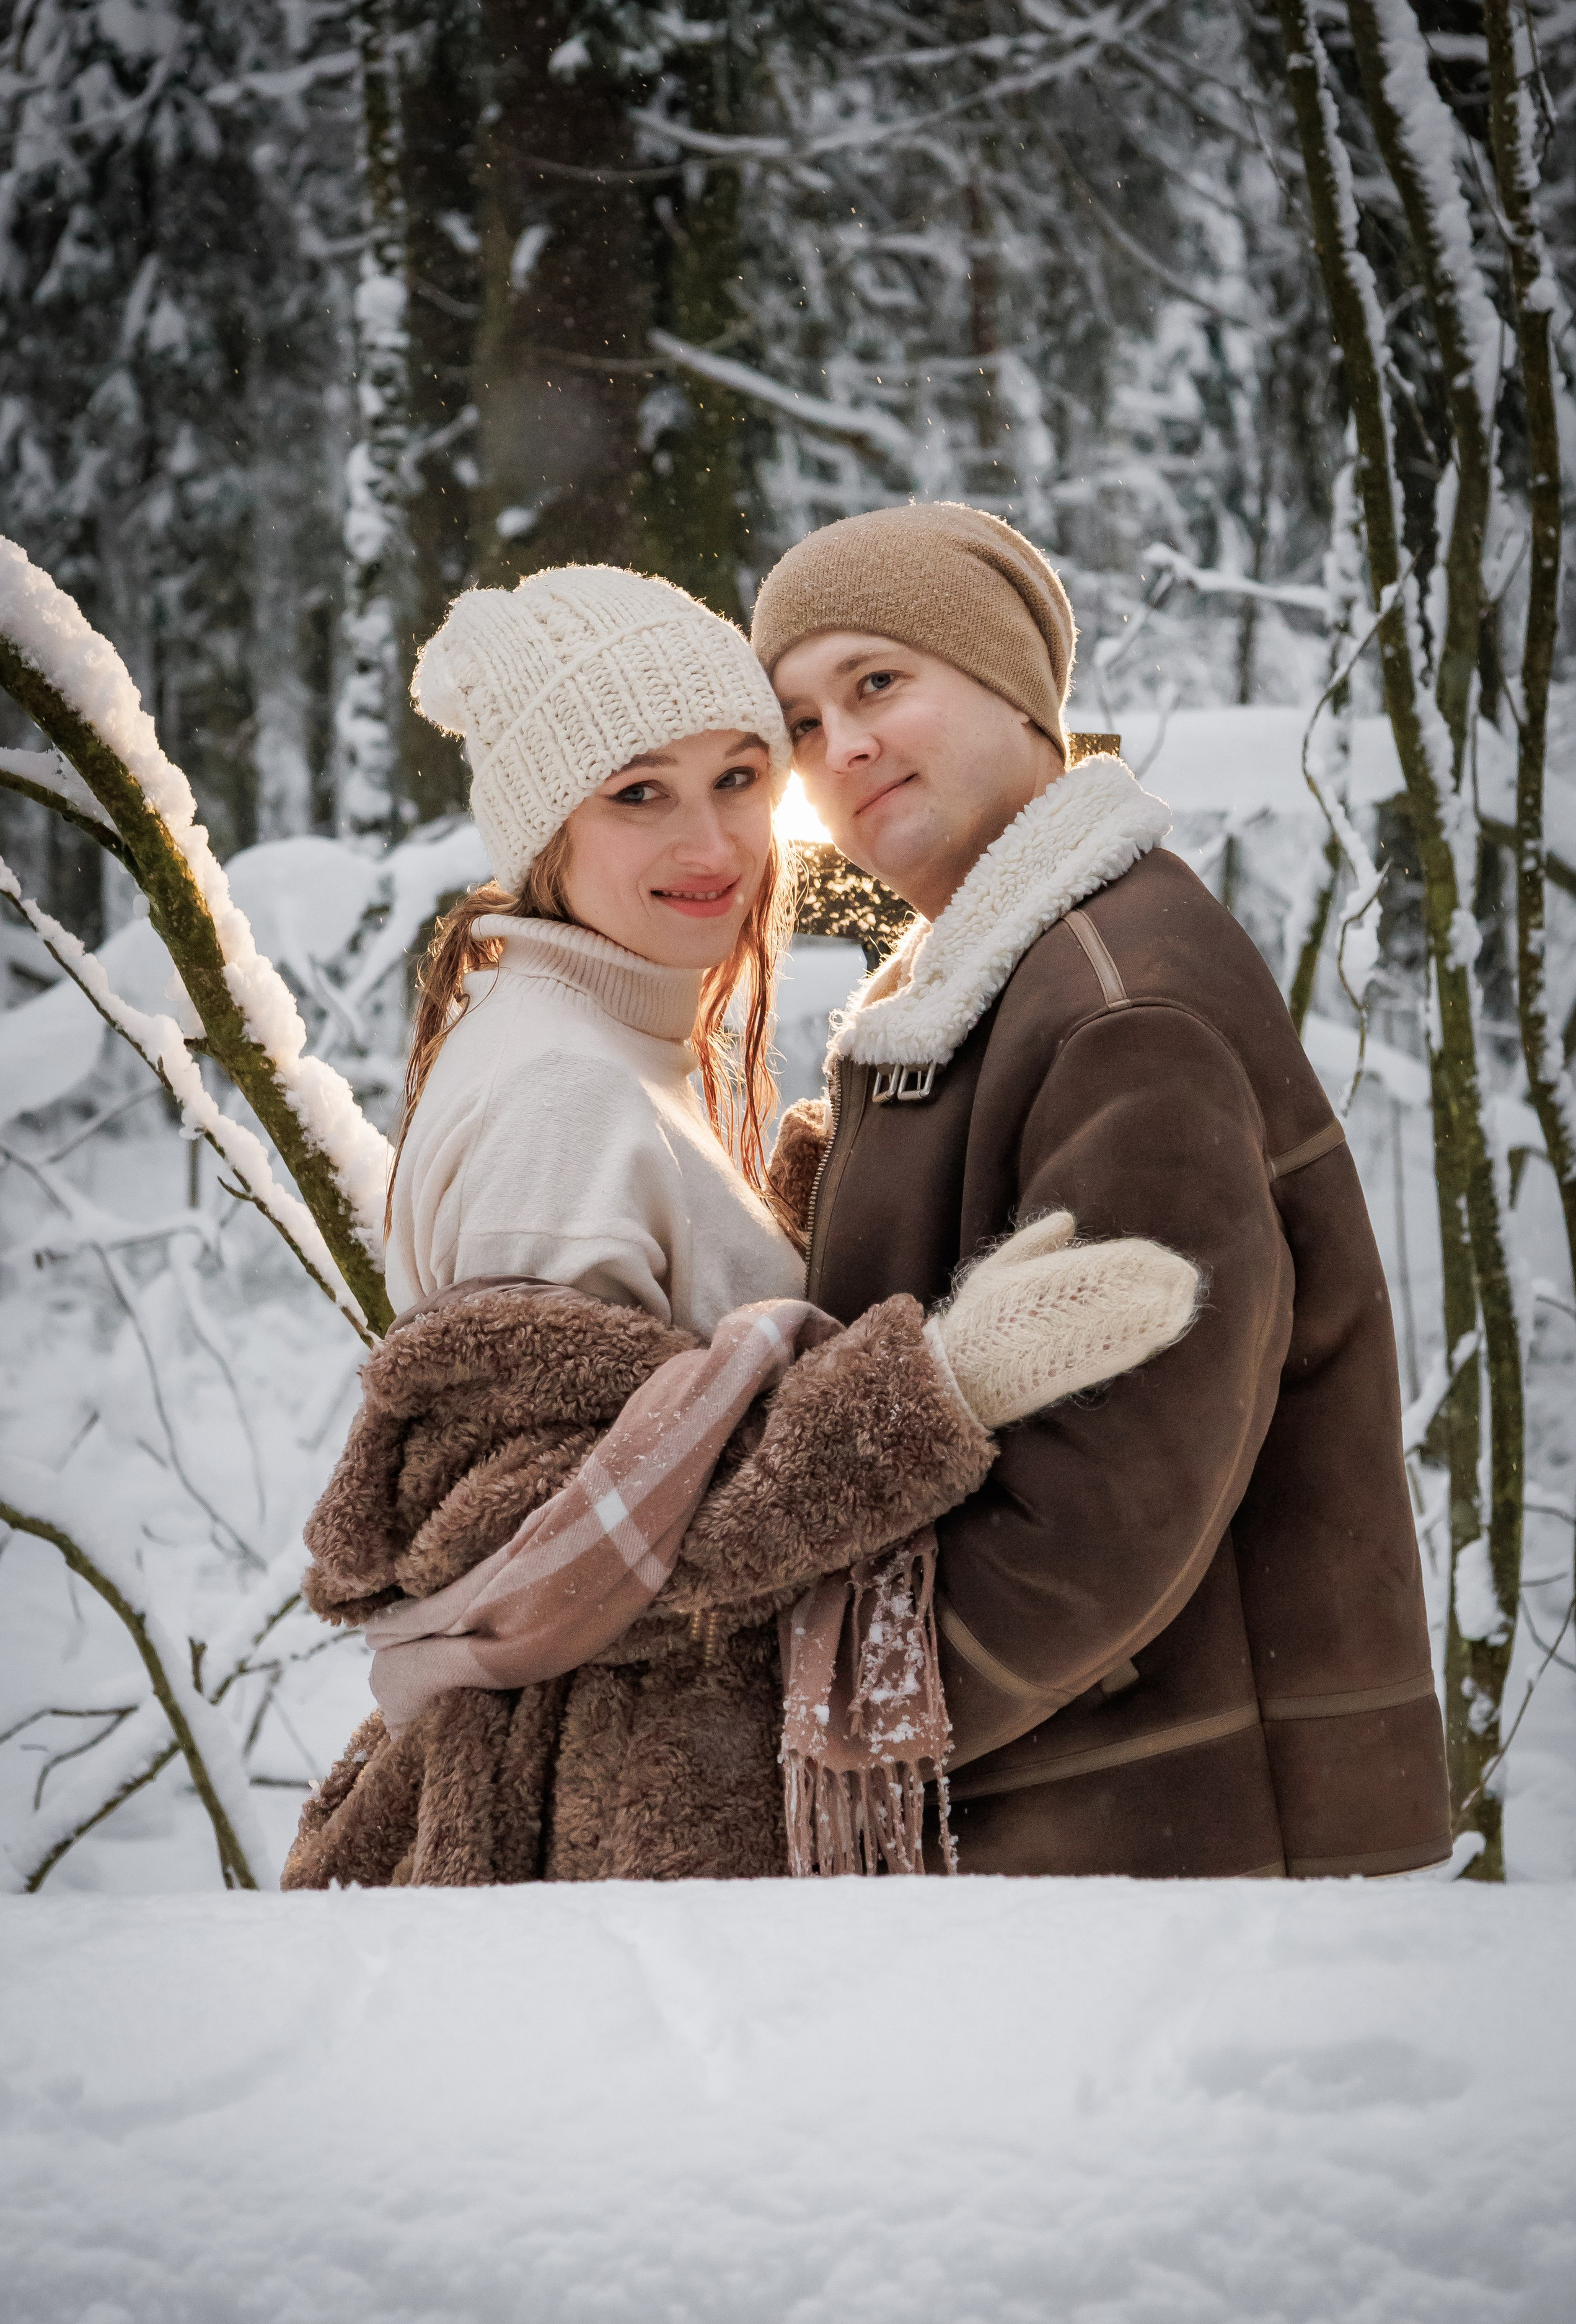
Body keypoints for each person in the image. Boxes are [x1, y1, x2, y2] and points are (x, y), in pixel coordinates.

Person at [284, 564, 1199, 1890]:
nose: (713, 846)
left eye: (737, 778)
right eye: (637, 793)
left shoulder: (620, 1044)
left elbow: (660, 1411)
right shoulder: (564, 1088)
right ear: (546, 829)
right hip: (604, 1841)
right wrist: (931, 1390)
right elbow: (540, 1551)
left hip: (636, 1816)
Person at [752, 501, 1453, 1882]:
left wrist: (857, 1727)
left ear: (1012, 686)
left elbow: (1118, 1496)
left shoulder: (1114, 1003)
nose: (840, 749)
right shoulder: (990, 978)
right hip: (1112, 1837)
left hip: (1176, 1849)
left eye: (877, 681)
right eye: (798, 721)